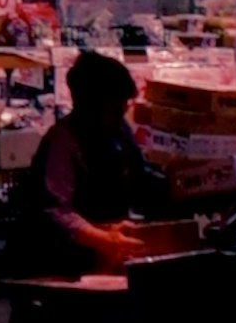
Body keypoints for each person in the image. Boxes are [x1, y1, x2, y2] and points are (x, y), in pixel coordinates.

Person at [11, 46, 178, 270]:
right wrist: (104, 239)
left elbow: (140, 179)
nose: (120, 117)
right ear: (90, 105)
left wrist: (178, 183)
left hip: (103, 253)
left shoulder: (119, 131)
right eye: (114, 110)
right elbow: (55, 212)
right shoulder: (62, 141)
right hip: (56, 260)